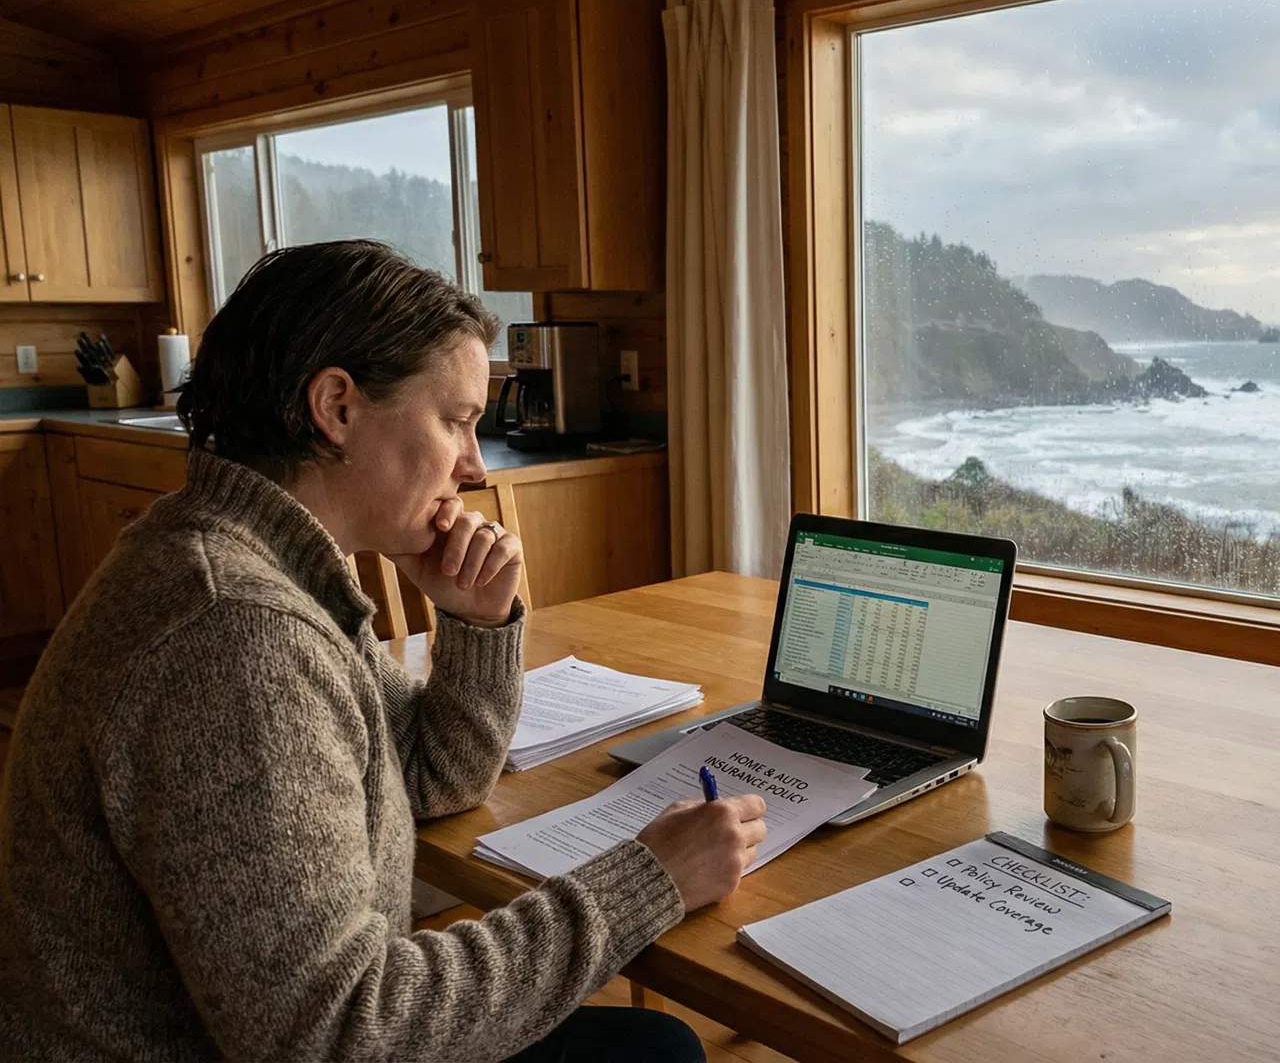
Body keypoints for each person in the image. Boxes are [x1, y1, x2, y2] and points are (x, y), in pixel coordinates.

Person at [0, 240, 767, 1061]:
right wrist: (645, 882)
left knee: (642, 1045)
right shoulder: (236, 635)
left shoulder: (245, 556)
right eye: (458, 421)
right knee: (651, 1054)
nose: (473, 466)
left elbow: (429, 774)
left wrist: (472, 621)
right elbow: (335, 1033)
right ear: (336, 407)